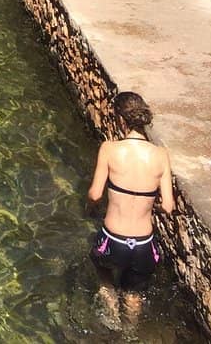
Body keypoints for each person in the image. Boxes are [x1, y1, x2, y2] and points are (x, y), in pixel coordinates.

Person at [87, 91, 174, 311]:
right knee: (134, 295)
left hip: (112, 239)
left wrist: (92, 207)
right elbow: (167, 206)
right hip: (145, 245)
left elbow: (95, 194)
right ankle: (130, 331)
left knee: (103, 273)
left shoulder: (109, 149)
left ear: (119, 118)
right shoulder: (161, 154)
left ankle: (111, 312)